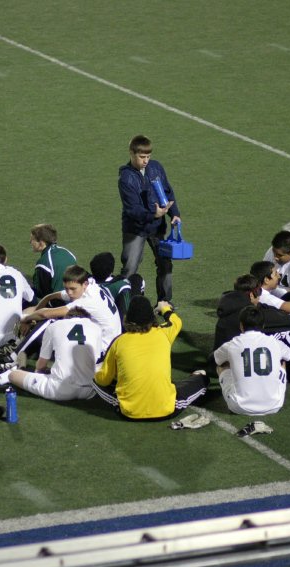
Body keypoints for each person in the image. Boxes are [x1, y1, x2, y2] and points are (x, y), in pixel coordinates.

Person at [93, 297, 208, 420]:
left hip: (129, 413)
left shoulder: (119, 342)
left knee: (94, 377)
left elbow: (103, 380)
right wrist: (165, 308)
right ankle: (198, 376)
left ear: (127, 319)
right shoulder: (163, 333)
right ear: (151, 318)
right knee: (202, 378)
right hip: (167, 409)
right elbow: (176, 322)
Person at [118, 135, 181, 303]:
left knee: (165, 265)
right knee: (130, 268)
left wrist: (174, 214)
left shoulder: (156, 167)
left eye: (148, 156)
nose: (146, 161)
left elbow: (168, 192)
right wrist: (153, 214)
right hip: (135, 229)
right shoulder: (126, 178)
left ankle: (165, 302)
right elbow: (133, 209)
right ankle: (124, 304)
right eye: (142, 157)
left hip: (157, 227)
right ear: (131, 153)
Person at [0, 308, 103, 401]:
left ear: (67, 317)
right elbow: (94, 362)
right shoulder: (97, 328)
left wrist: (41, 371)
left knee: (13, 375)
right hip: (90, 390)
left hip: (61, 390)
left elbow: (41, 365)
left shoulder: (55, 325)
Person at [213, 305, 290, 416]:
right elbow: (288, 355)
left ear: (241, 325)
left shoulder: (232, 344)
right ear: (263, 325)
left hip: (239, 407)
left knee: (222, 366)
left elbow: (217, 359)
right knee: (282, 361)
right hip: (274, 405)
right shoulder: (274, 342)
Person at [212, 274, 290, 354]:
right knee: (284, 332)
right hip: (244, 361)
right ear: (251, 295)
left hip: (221, 364)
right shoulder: (252, 314)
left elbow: (265, 308)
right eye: (259, 291)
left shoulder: (228, 308)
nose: (260, 295)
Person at [30, 223, 77, 299]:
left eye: (32, 239)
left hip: (57, 304)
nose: (30, 242)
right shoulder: (68, 252)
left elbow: (42, 294)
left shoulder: (43, 262)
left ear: (41, 243)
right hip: (75, 298)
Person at [89, 251, 138, 318]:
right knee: (137, 280)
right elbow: (125, 314)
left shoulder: (84, 282)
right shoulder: (121, 285)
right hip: (113, 324)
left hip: (88, 321)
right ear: (111, 269)